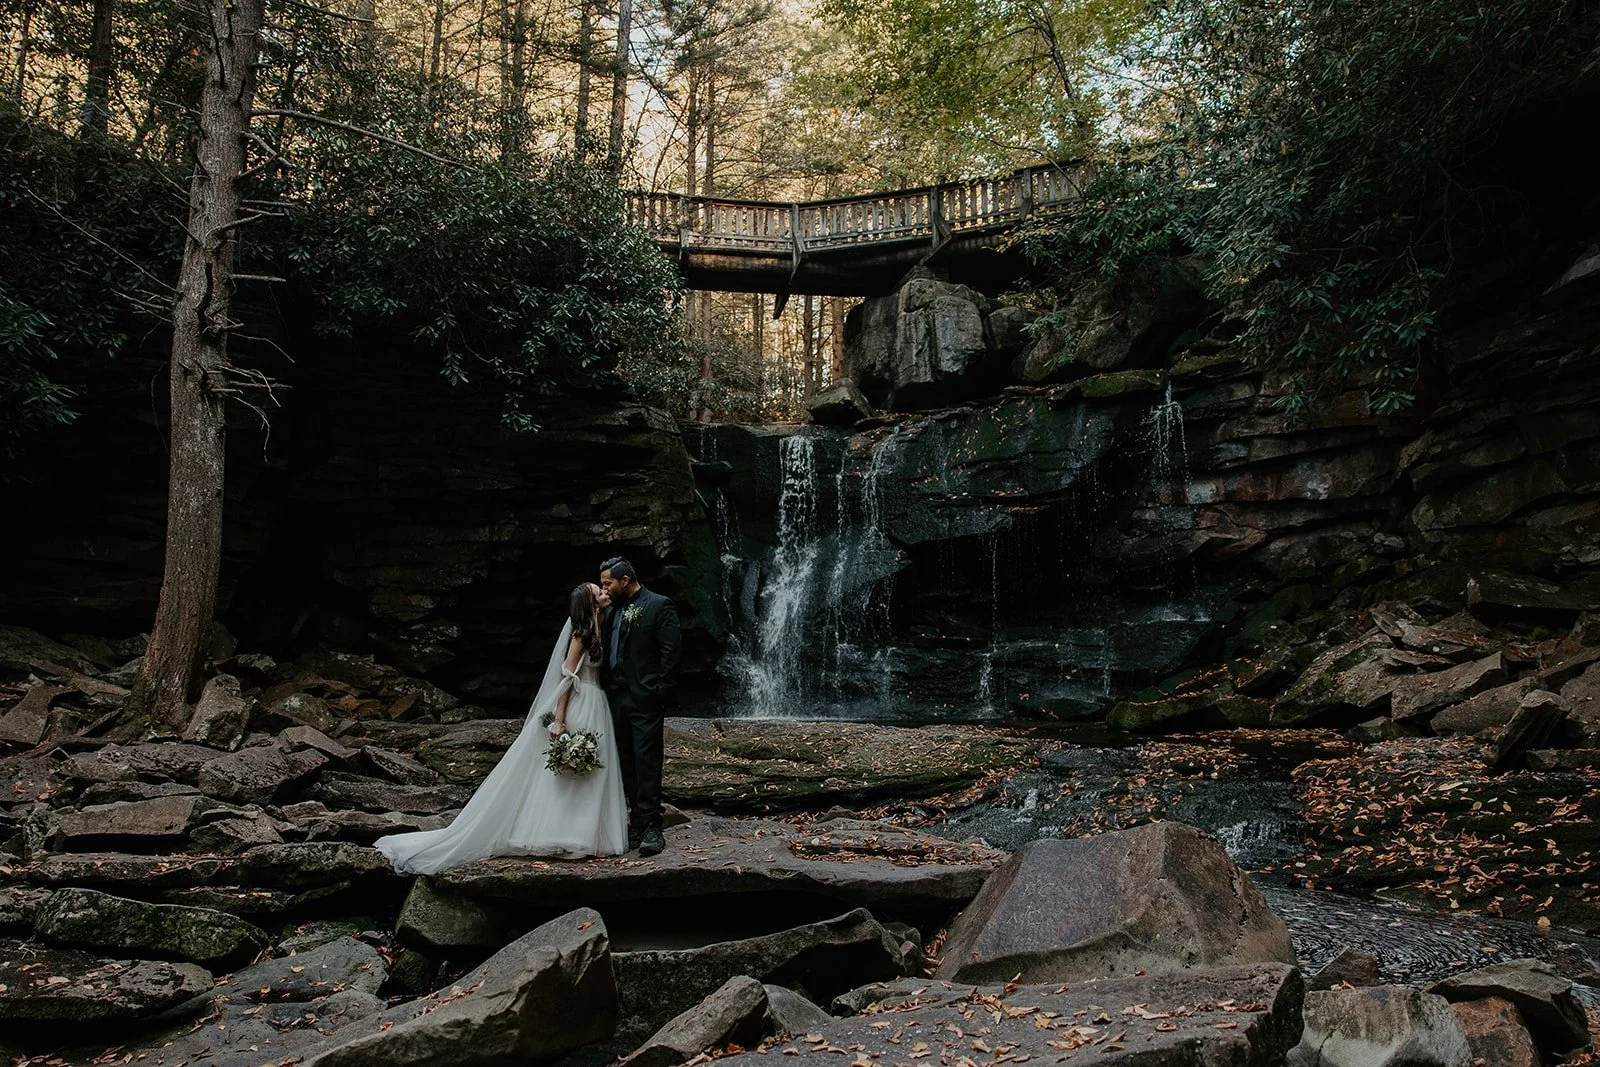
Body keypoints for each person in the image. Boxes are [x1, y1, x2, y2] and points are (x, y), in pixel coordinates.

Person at [374, 584, 628, 874]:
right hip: (581, 705)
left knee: (592, 770)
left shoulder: (598, 628)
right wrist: (559, 719)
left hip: (597, 704)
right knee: (572, 771)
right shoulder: (580, 635)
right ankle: (563, 835)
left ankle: (588, 835)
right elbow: (567, 677)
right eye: (600, 592)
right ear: (591, 603)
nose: (605, 592)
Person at [598, 557, 681, 857]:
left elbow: (671, 653)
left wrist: (658, 693)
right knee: (625, 762)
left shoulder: (659, 606)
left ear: (624, 580)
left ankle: (652, 827)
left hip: (645, 698)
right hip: (616, 698)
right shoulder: (610, 612)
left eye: (607, 583)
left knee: (647, 761)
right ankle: (634, 823)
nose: (603, 589)